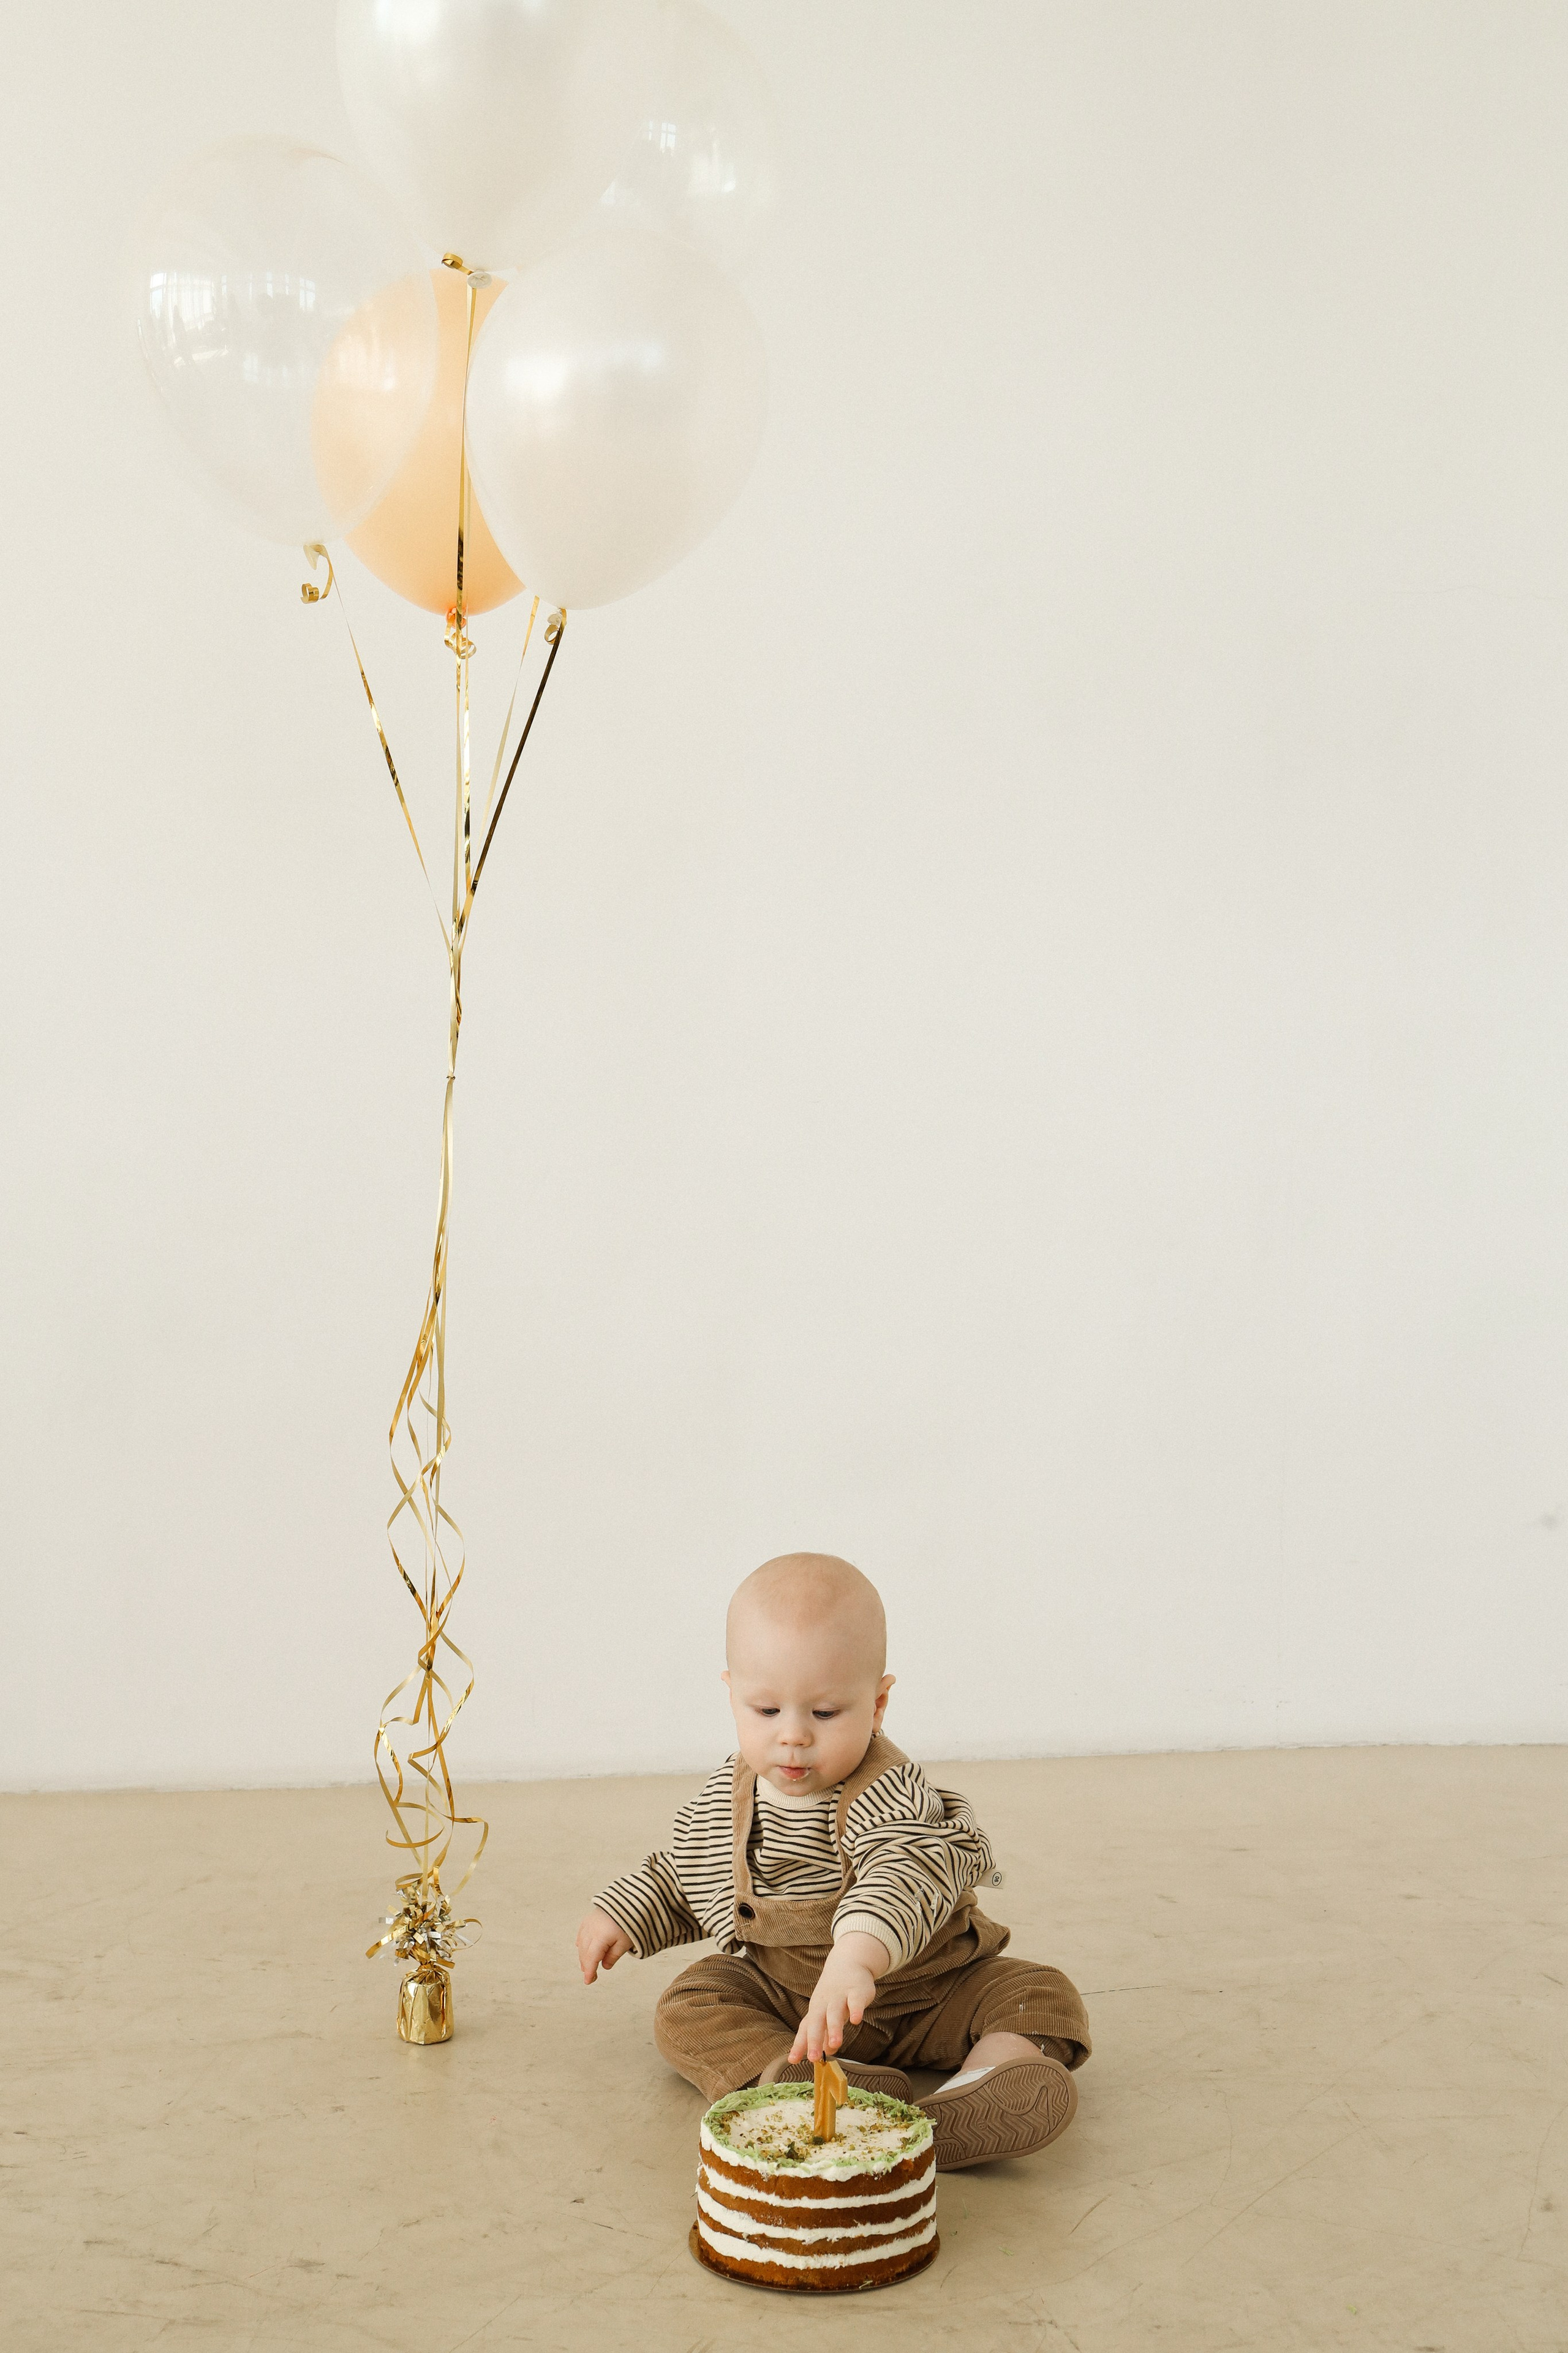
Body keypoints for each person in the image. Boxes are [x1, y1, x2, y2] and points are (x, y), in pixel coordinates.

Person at [575, 1551, 1090, 2169]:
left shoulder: (886, 1788)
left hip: (930, 1994)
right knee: (689, 2005)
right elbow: (690, 1870)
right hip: (796, 2007)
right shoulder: (729, 1798)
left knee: (1040, 1993)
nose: (792, 1735)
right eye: (766, 1710)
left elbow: (904, 1870)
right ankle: (801, 2081)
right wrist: (625, 1912)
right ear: (731, 1692)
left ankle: (979, 2085)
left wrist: (856, 1957)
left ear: (876, 1704)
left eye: (824, 1713)